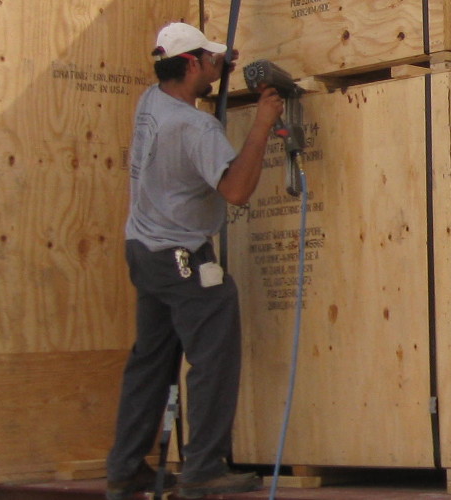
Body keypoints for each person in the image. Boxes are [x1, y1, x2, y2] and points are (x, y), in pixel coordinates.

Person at [104, 22, 283, 500]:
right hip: (181, 255)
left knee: (151, 360)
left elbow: (192, 80)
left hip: (144, 250)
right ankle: (203, 467)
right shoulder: (194, 126)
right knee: (213, 353)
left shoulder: (152, 101)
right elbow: (237, 191)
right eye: (207, 59)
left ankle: (124, 468)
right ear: (188, 64)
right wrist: (262, 123)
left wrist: (218, 63)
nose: (215, 66)